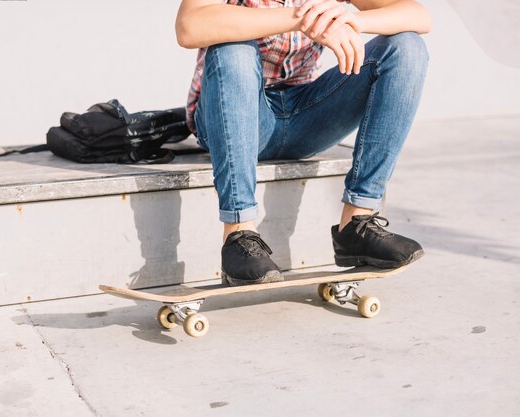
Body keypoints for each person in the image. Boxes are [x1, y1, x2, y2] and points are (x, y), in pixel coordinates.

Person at [175, 0, 431, 286]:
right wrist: (302, 18)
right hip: (232, 116)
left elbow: (419, 15)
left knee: (407, 46)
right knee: (232, 48)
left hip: (304, 115)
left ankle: (357, 223)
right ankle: (239, 234)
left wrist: (348, 20)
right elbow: (189, 26)